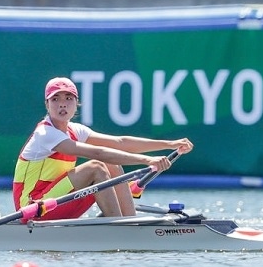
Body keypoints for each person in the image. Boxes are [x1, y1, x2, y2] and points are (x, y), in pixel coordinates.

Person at [13, 76, 194, 221]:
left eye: (68, 98)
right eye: (55, 99)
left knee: (111, 166)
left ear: (76, 104)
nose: (62, 104)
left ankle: (130, 222)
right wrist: (147, 160)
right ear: (47, 104)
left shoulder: (75, 130)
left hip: (56, 201)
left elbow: (120, 142)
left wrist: (170, 144)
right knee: (97, 166)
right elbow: (97, 153)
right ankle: (119, 230)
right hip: (33, 208)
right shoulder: (45, 133)